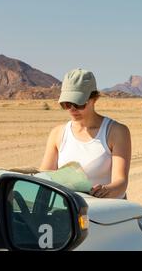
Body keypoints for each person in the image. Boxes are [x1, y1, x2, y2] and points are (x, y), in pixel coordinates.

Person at [40, 68, 131, 199]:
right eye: (67, 104)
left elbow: (121, 183)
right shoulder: (57, 134)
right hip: (69, 212)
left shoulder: (116, 132)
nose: (72, 109)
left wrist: (104, 191)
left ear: (94, 99)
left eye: (78, 103)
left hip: (106, 212)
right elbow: (45, 179)